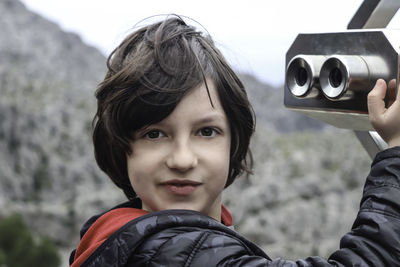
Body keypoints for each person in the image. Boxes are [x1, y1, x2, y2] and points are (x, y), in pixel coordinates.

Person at [69, 15, 400, 266]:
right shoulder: (172, 252)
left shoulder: (118, 236)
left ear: (234, 141)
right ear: (120, 147)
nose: (182, 159)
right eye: (154, 134)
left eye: (206, 132)